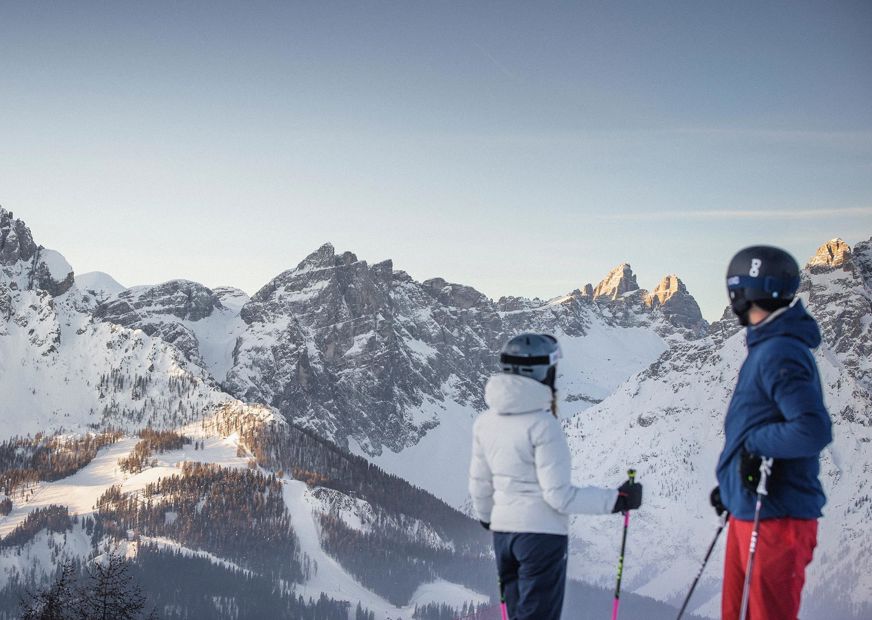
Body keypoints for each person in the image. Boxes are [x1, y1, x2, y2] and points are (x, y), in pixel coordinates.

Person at [468, 333, 642, 620]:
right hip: (541, 538)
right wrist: (619, 500)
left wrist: (489, 517)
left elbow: (479, 485)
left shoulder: (485, 423)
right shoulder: (543, 425)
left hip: (503, 536)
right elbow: (559, 497)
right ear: (542, 372)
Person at [712, 245, 833, 620]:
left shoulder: (780, 350)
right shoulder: (769, 346)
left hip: (776, 518)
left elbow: (812, 429)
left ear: (742, 291)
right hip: (753, 508)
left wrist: (754, 447)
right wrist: (732, 485)